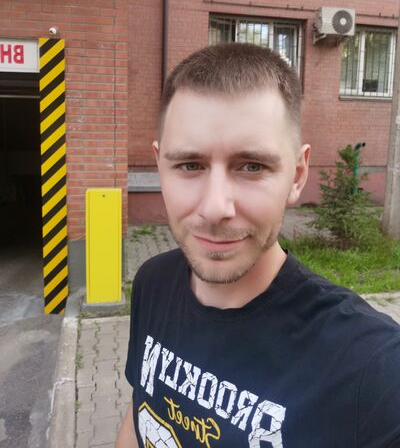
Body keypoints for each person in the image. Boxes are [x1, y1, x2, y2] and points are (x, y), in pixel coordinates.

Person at [116, 43, 400, 448]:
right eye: (190, 165)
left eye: (252, 166)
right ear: (160, 166)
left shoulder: (371, 368)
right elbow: (140, 412)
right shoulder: (152, 284)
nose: (215, 208)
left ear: (297, 175)